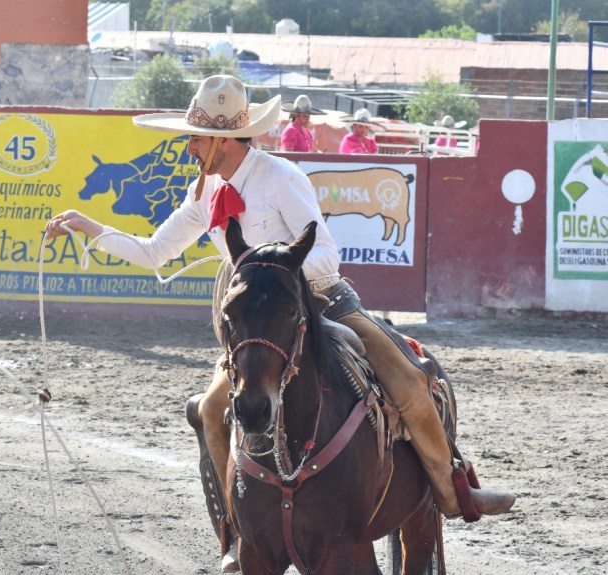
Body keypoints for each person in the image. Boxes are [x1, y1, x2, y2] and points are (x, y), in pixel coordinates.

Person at [44, 75, 516, 572]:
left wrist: (268, 271)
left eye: (196, 139)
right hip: (261, 327)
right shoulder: (206, 190)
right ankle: (234, 530)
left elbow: (326, 256)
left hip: (323, 303)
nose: (190, 149)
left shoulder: (280, 177)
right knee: (209, 409)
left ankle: (449, 489)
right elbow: (156, 251)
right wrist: (91, 228)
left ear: (225, 140)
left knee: (410, 383)